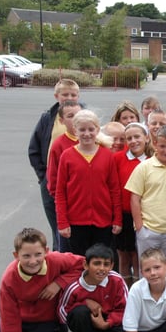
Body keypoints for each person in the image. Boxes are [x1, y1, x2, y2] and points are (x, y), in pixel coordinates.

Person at [0, 228, 84, 332]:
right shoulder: (9, 279)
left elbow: (83, 264)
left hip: (45, 319)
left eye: (38, 254)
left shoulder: (55, 260)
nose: (33, 261)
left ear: (46, 251)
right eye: (26, 256)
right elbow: (9, 320)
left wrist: (59, 282)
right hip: (18, 319)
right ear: (16, 255)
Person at [55, 110, 122, 256]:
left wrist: (117, 219)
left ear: (97, 130)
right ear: (75, 130)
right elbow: (60, 192)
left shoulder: (107, 155)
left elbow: (114, 190)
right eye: (82, 129)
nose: (87, 133)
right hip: (76, 222)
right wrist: (62, 222)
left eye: (91, 129)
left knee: (101, 261)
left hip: (103, 221)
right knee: (80, 261)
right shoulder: (67, 156)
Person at [57, 244, 129, 332]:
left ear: (112, 265)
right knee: (80, 313)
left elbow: (125, 309)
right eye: (96, 263)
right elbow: (63, 311)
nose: (101, 268)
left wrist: (107, 323)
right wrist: (85, 303)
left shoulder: (117, 280)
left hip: (107, 323)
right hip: (86, 325)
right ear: (85, 265)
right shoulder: (74, 287)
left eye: (106, 264)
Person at [125, 125, 166, 281]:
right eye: (162, 146)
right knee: (148, 273)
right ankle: (147, 303)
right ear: (154, 144)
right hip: (149, 230)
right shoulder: (144, 167)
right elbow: (135, 198)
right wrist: (140, 228)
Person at [28, 78, 80, 251]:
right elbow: (34, 149)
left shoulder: (84, 116)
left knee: (75, 225)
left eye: (73, 94)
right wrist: (43, 177)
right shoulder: (47, 118)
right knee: (58, 225)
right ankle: (60, 260)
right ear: (57, 96)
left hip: (75, 180)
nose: (69, 97)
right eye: (65, 94)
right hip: (51, 179)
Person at [113, 122, 151, 285]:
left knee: (138, 256)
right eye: (129, 138)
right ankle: (124, 291)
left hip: (143, 215)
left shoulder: (151, 160)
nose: (134, 141)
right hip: (123, 214)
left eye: (137, 137)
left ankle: (137, 288)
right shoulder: (117, 159)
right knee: (123, 255)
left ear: (146, 138)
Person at [46, 100, 82, 209]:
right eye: (70, 116)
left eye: (78, 115)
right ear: (62, 121)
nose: (76, 119)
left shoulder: (95, 140)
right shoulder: (59, 145)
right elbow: (53, 180)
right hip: (71, 205)